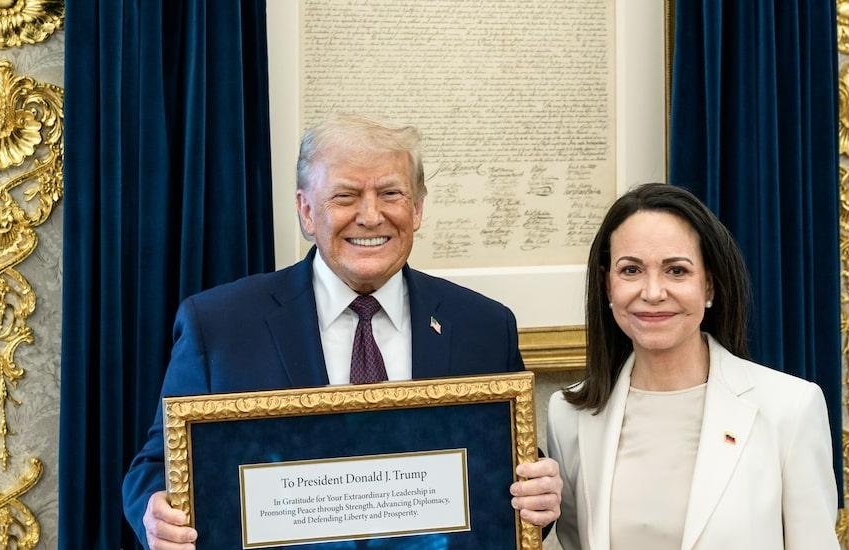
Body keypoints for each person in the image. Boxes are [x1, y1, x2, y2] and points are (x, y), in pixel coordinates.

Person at [122, 114, 562, 549]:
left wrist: (539, 494)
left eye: (391, 193)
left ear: (418, 207)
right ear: (306, 211)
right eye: (346, 196)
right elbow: (157, 466)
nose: (370, 217)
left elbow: (505, 473)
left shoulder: (483, 327)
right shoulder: (218, 326)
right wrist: (156, 517)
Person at [547, 184, 838, 550]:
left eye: (677, 271)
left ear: (710, 286)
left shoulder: (790, 409)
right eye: (631, 270)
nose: (652, 293)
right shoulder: (569, 414)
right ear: (607, 286)